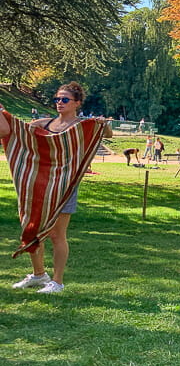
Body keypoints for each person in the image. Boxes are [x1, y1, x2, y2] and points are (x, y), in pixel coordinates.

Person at [0, 81, 112, 294]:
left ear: (76, 103)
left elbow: (107, 134)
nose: (59, 103)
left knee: (56, 234)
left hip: (64, 186)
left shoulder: (82, 125)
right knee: (32, 227)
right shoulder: (44, 123)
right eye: (57, 99)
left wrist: (102, 123)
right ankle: (39, 274)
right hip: (39, 185)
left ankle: (57, 282)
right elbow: (21, 132)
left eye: (64, 100)